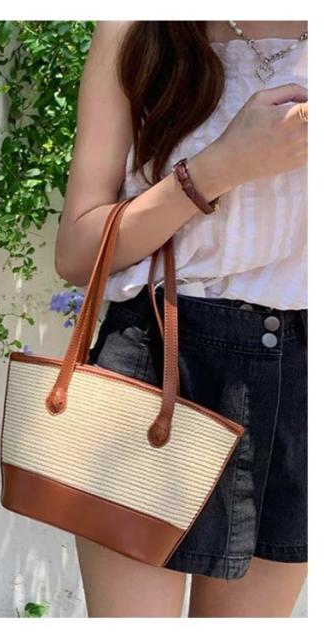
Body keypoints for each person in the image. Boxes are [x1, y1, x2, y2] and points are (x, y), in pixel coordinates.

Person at [54, 20, 307, 617]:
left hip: (299, 381)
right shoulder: (140, 29)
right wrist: (219, 167)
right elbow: (77, 252)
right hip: (153, 359)